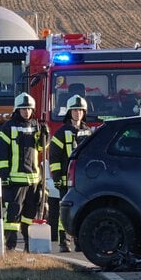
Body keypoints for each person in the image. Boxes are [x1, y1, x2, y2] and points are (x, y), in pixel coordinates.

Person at [0, 92, 47, 251]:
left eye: (29, 109)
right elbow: (1, 153)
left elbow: (40, 149)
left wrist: (45, 136)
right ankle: (10, 246)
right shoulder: (8, 127)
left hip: (33, 180)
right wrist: (4, 176)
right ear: (17, 110)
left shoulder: (36, 126)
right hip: (15, 180)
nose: (26, 111)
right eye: (23, 109)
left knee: (30, 216)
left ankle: (29, 246)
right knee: (13, 214)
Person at [47, 94, 92, 252]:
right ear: (69, 113)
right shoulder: (61, 133)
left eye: (80, 110)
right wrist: (58, 178)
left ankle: (80, 243)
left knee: (83, 210)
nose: (78, 113)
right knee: (64, 212)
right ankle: (64, 243)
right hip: (66, 180)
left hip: (83, 180)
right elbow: (54, 158)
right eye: (75, 110)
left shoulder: (88, 132)